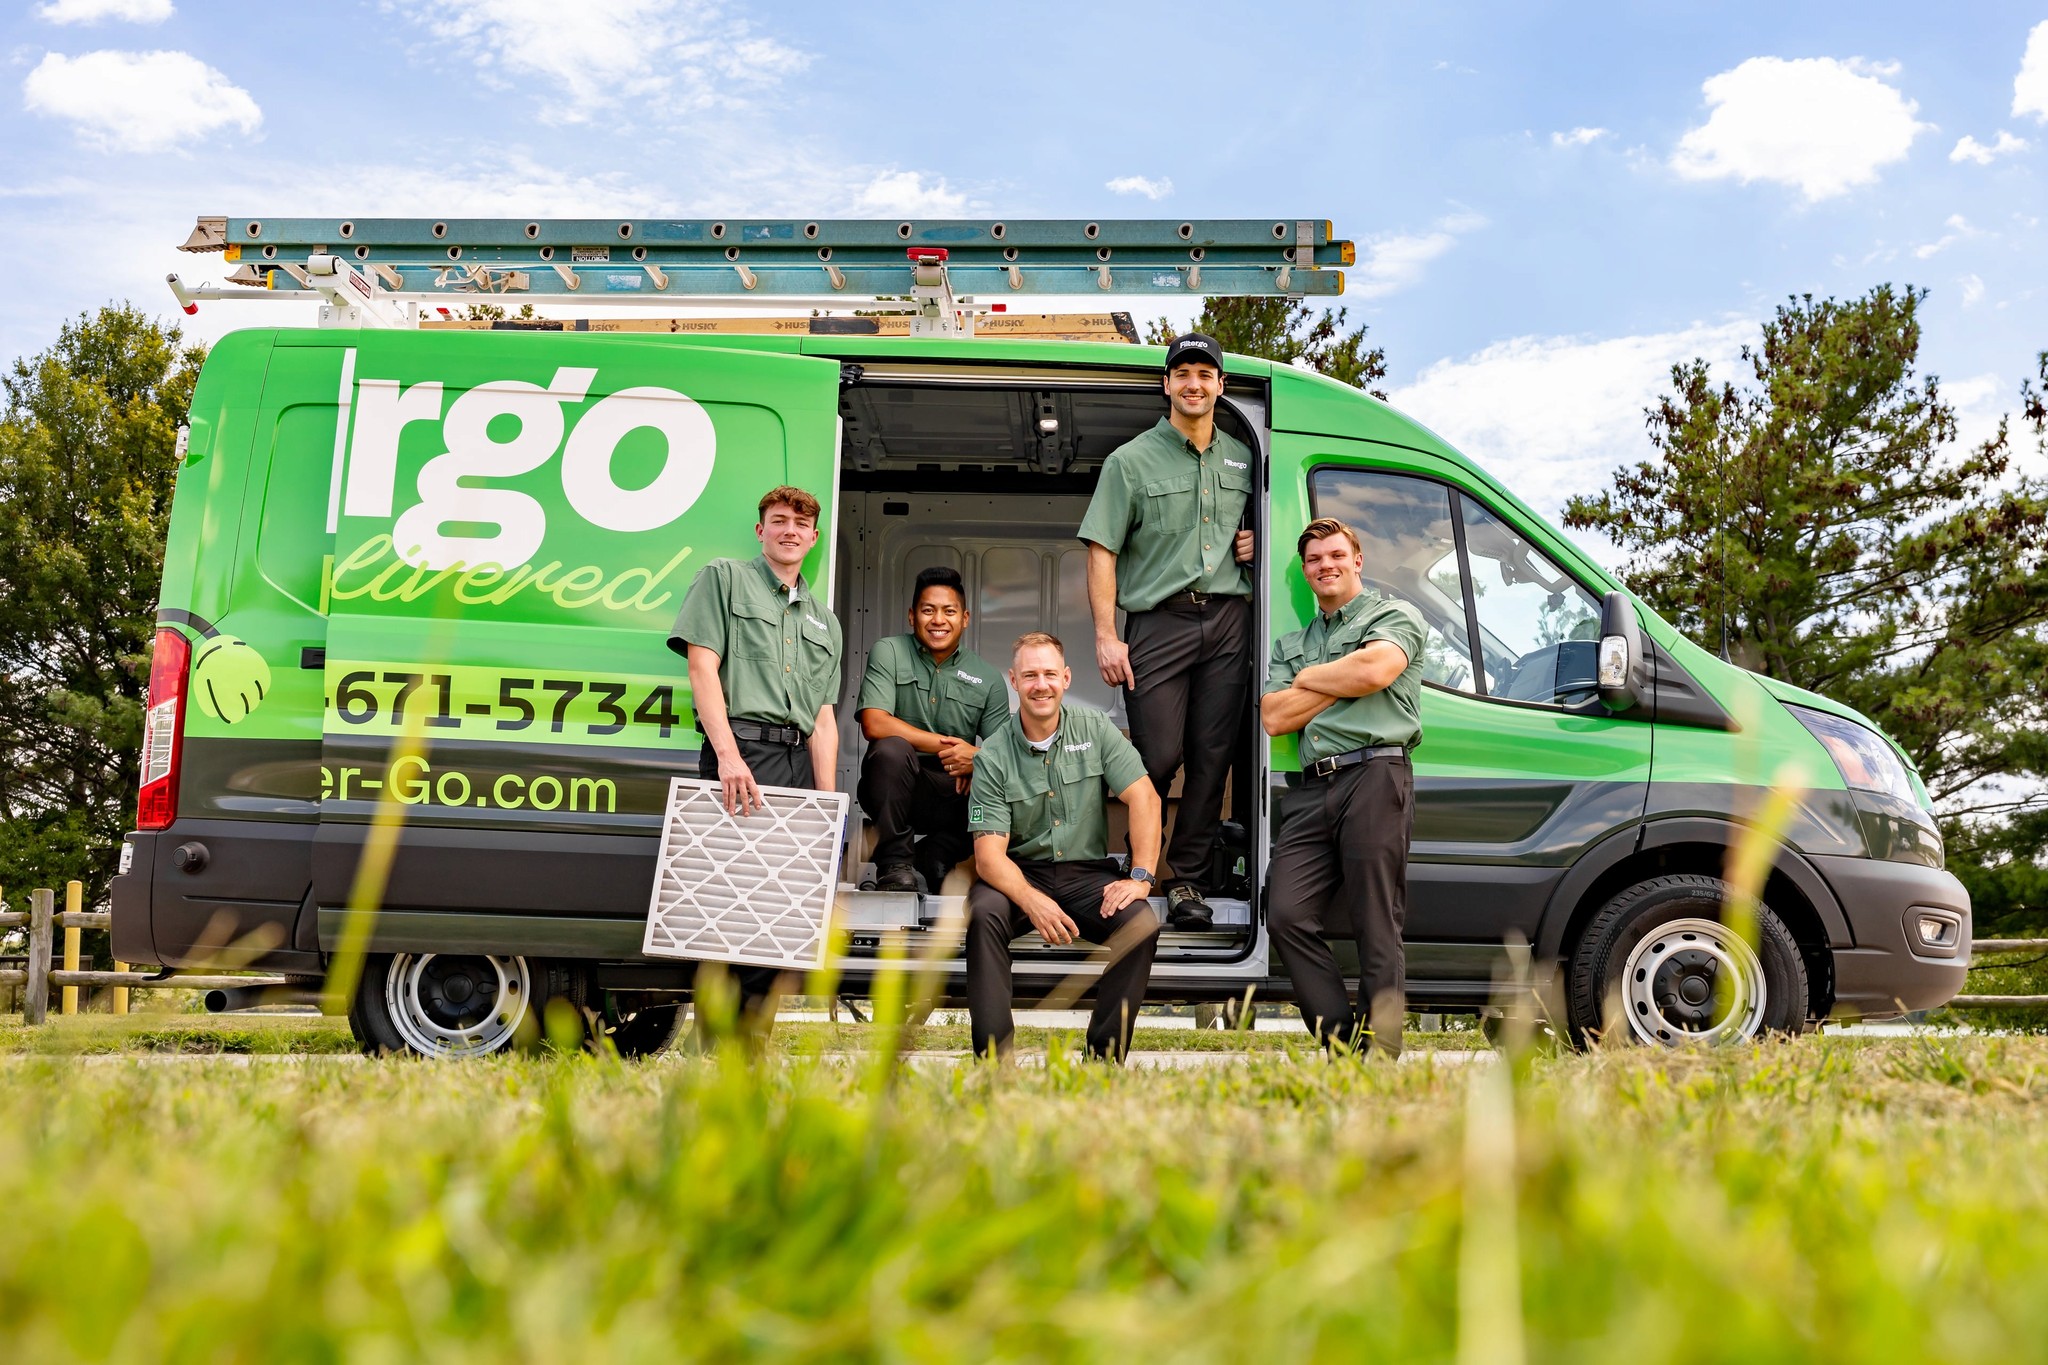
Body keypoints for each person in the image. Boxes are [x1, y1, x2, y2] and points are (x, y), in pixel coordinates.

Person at [1077, 332, 1254, 930]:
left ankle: (1188, 882)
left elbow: (1268, 530)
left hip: (1230, 618)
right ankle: (1138, 869)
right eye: (1183, 373)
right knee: (1156, 754)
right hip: (1159, 622)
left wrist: (1256, 542)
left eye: (1206, 373)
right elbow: (1101, 548)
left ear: (1220, 386)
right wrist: (1107, 635)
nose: (1194, 383)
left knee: (1213, 756)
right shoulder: (1130, 461)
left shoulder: (1245, 457)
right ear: (1167, 384)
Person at [667, 485, 843, 1030]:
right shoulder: (724, 579)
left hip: (795, 766)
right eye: (779, 519)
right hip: (742, 758)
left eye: (801, 523)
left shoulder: (825, 621)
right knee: (727, 911)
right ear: (760, 529)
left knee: (778, 917)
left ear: (814, 538)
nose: (790, 529)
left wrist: (826, 801)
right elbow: (702, 667)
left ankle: (749, 1046)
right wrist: (727, 756)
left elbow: (823, 718)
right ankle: (716, 1042)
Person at [1259, 517, 1425, 1057]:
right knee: (1284, 913)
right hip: (1311, 789)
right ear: (1305, 572)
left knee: (1377, 920)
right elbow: (1274, 717)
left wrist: (1308, 678)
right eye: (1313, 559)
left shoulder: (1394, 614)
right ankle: (1340, 1042)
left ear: (1357, 560)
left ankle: (1381, 1052)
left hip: (1376, 774)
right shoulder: (1292, 641)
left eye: (1335, 555)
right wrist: (1341, 676)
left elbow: (1376, 671)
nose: (1325, 565)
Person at [966, 632, 1164, 1062]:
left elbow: (1145, 797)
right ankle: (994, 1062)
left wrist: (1141, 877)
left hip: (1086, 874)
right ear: (1014, 681)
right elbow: (989, 858)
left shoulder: (1094, 728)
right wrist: (1032, 902)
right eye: (1031, 675)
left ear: (1067, 678)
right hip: (1018, 874)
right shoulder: (993, 755)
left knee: (1141, 924)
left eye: (1050, 674)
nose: (1042, 685)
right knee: (984, 915)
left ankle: (1104, 1059)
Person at [855, 565, 1011, 893]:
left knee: (1003, 778)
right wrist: (951, 748)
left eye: (949, 611)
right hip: (898, 787)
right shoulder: (890, 652)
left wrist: (976, 758)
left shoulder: (987, 677)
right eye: (928, 610)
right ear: (912, 616)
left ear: (965, 618)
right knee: (891, 751)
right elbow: (874, 722)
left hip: (955, 793)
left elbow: (1006, 754)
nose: (938, 620)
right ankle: (895, 864)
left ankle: (935, 857)